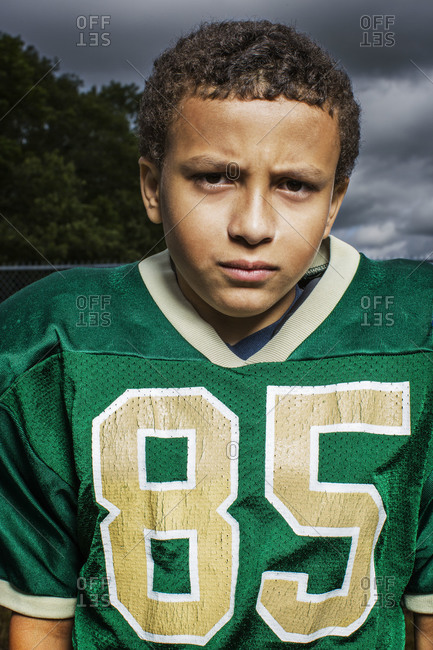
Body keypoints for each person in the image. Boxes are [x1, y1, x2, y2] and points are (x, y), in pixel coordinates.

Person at [1, 18, 432, 650]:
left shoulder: (415, 331)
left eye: (295, 185)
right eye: (215, 177)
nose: (253, 225)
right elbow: (39, 618)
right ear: (153, 185)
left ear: (335, 199)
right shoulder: (49, 344)